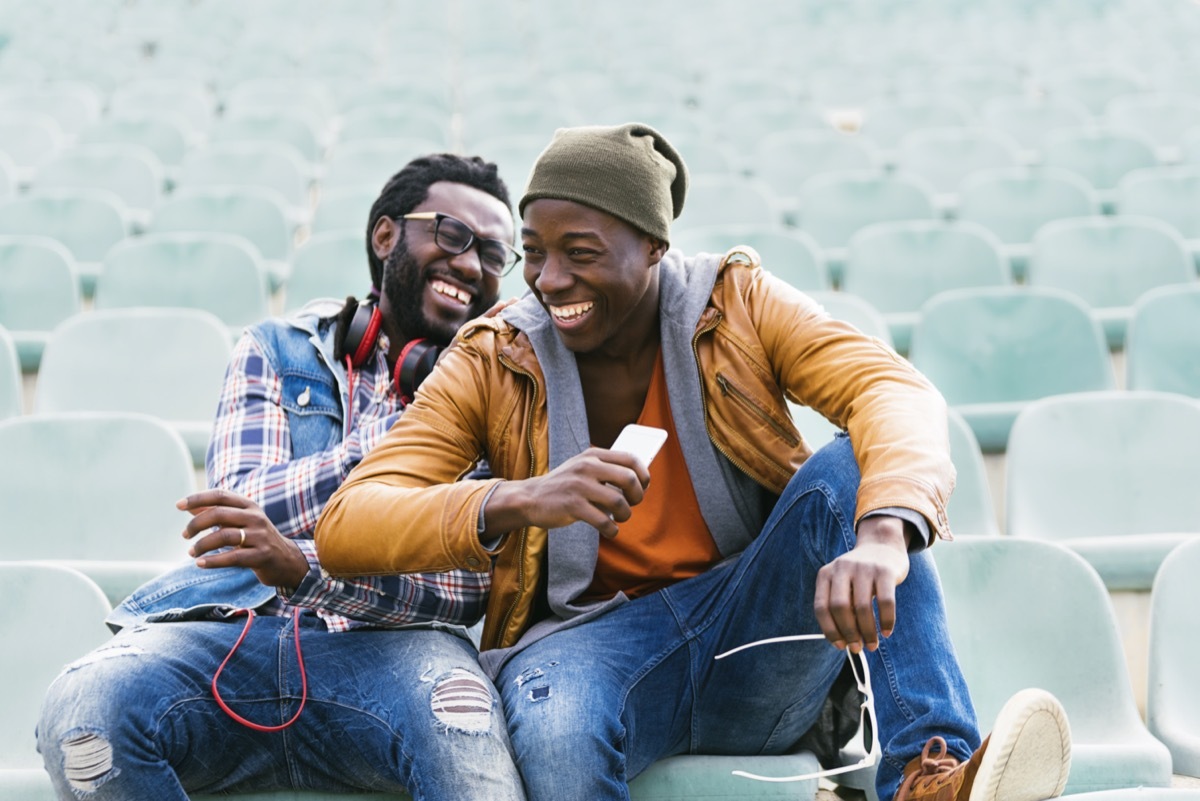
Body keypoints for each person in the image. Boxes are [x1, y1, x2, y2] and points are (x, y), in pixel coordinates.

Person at [312, 124, 1073, 801]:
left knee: (849, 474)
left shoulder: (735, 303)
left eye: (581, 254)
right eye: (535, 255)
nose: (548, 282)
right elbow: (349, 521)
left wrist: (881, 534)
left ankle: (926, 774)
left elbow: (890, 387)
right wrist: (520, 498)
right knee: (553, 729)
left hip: (753, 625)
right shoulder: (495, 352)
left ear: (653, 247)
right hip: (583, 649)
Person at [36, 153, 526, 801]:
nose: (471, 263)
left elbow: (463, 582)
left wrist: (301, 563)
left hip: (398, 651)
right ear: (385, 235)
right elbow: (237, 508)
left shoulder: (499, 390)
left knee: (463, 723)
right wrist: (409, 451)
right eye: (452, 234)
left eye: (494, 254)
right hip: (227, 624)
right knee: (85, 715)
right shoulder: (276, 347)